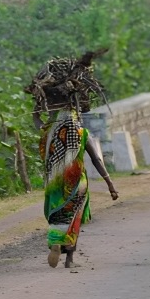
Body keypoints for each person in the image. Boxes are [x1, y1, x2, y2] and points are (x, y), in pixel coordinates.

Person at [35, 107, 119, 268]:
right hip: (76, 184)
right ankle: (69, 259)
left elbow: (37, 123)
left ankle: (55, 242)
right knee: (74, 218)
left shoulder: (48, 133)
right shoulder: (81, 133)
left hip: (55, 185)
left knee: (57, 215)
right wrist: (110, 184)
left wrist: (36, 112)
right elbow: (96, 159)